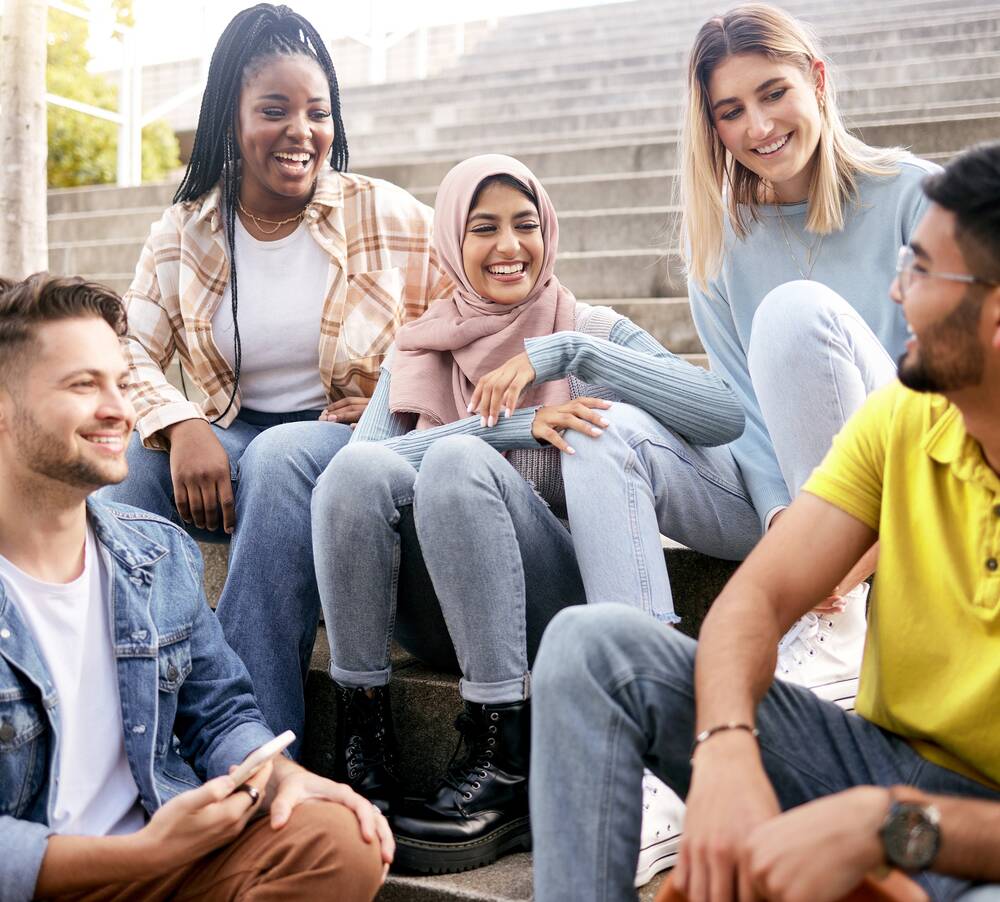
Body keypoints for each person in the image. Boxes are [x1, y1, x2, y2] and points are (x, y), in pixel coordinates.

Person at [529, 141, 1000, 902]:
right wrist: (724, 745)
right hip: (870, 761)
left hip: (964, 826)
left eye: (920, 271)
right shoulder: (904, 418)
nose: (895, 290)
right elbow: (754, 601)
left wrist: (889, 827)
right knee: (592, 648)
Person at [310, 154, 744, 874]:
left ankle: (505, 761)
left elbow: (721, 413)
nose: (509, 246)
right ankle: (366, 751)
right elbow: (352, 482)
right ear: (452, 240)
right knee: (358, 469)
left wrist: (569, 355)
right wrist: (510, 427)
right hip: (434, 615)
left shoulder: (589, 328)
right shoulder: (417, 348)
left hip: (544, 606)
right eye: (484, 228)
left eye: (526, 225)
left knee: (453, 463)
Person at [553, 3, 938, 710]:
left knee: (795, 311)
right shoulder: (721, 245)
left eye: (773, 93)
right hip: (784, 505)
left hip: (909, 485)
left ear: (816, 80)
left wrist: (841, 547)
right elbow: (744, 412)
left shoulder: (917, 197)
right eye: (730, 111)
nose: (758, 128)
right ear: (712, 127)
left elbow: (948, 397)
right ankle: (647, 699)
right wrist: (781, 524)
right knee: (601, 431)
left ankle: (842, 628)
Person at [100, 4, 449, 752]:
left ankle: (253, 746)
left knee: (279, 457)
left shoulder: (384, 214)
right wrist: (180, 422)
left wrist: (398, 403)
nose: (302, 131)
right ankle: (134, 719)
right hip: (230, 437)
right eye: (275, 110)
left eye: (318, 112)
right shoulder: (186, 230)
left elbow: (478, 320)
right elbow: (123, 350)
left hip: (338, 443)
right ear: (230, 118)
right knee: (123, 474)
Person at [0, 275, 394, 902]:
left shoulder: (153, 554)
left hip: (164, 858)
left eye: (120, 383)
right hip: (51, 876)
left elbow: (220, 712)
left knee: (338, 836)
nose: (120, 411)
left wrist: (273, 773)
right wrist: (140, 855)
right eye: (83, 384)